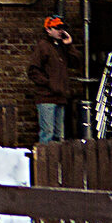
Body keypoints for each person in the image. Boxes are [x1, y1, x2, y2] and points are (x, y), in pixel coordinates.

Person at [27, 16, 81, 144]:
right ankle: (43, 161)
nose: (60, 31)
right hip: (46, 97)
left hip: (60, 97)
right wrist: (49, 84)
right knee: (48, 133)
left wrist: (69, 46)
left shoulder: (62, 47)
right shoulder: (43, 46)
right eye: (57, 28)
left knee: (59, 134)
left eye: (61, 28)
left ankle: (56, 162)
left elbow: (77, 62)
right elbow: (33, 70)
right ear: (48, 30)